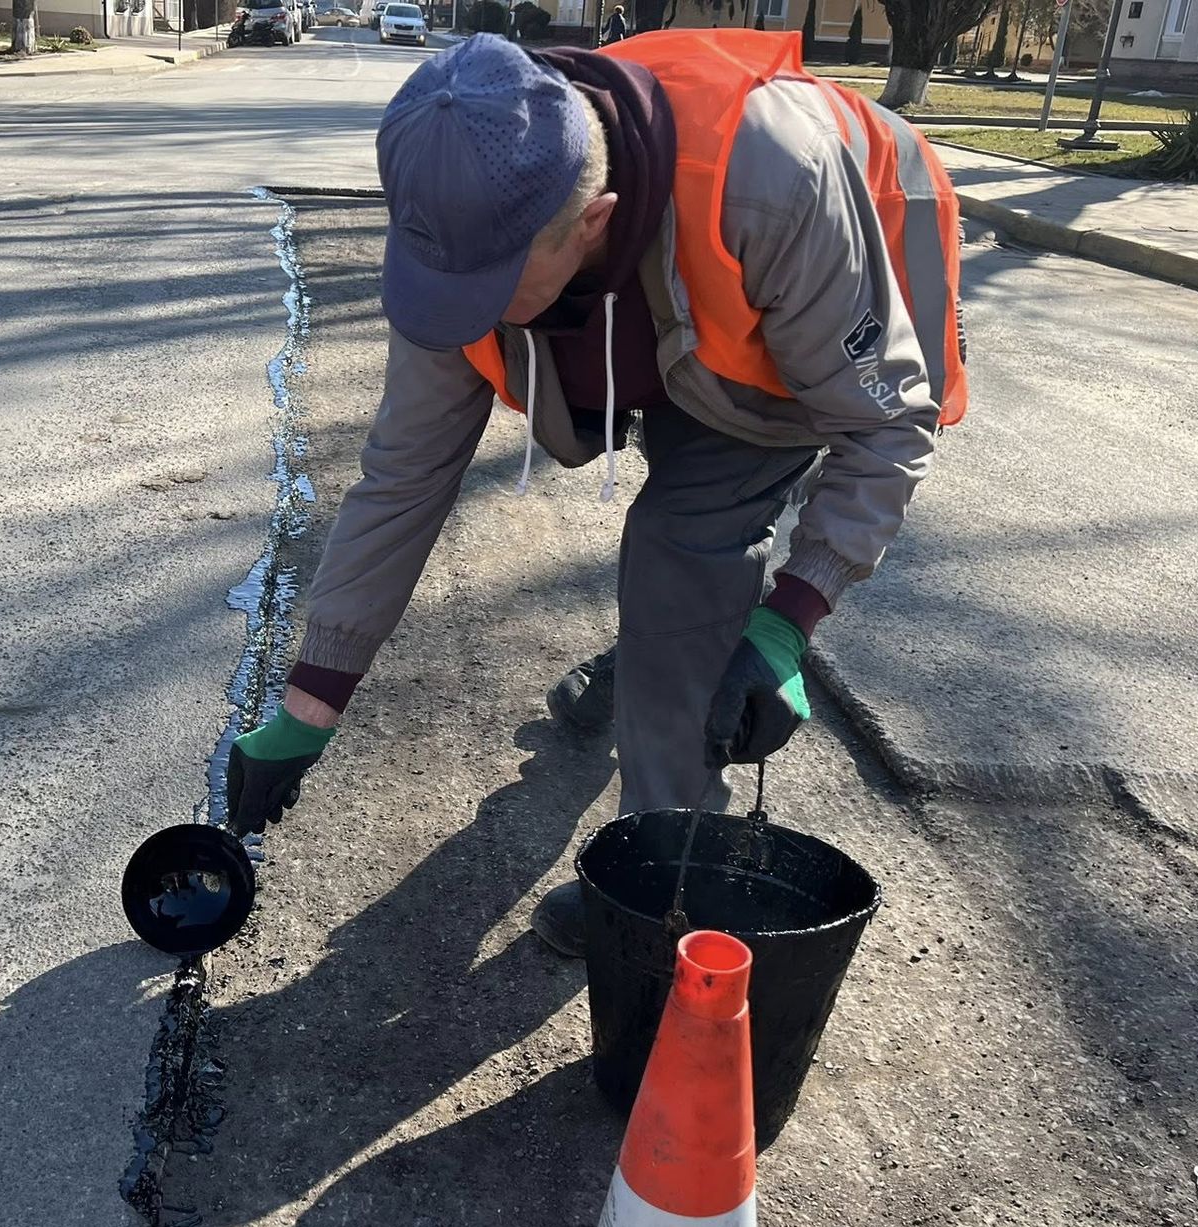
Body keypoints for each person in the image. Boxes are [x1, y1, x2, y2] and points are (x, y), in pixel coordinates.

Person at [226, 30, 965, 956]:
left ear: (592, 220)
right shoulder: (466, 219)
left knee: (679, 549)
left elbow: (887, 423)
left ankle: (662, 878)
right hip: (675, 321)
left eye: (490, 288)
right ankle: (657, 662)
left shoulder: (768, 181)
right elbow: (403, 475)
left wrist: (790, 617)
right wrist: (308, 708)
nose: (464, 312)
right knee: (675, 616)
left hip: (812, 320)